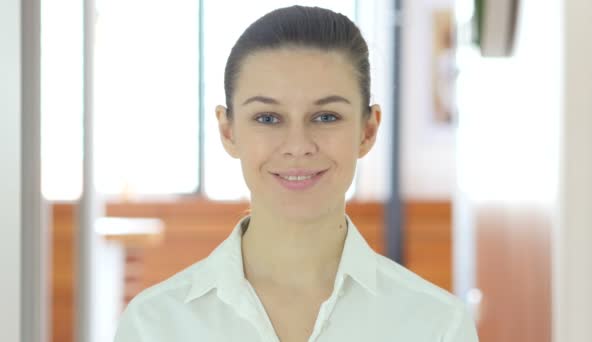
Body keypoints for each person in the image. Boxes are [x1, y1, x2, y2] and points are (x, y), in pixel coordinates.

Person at [114, 5, 479, 342]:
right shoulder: (155, 324)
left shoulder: (437, 325)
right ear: (228, 131)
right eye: (267, 118)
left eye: (326, 117)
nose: (298, 145)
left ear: (367, 131)